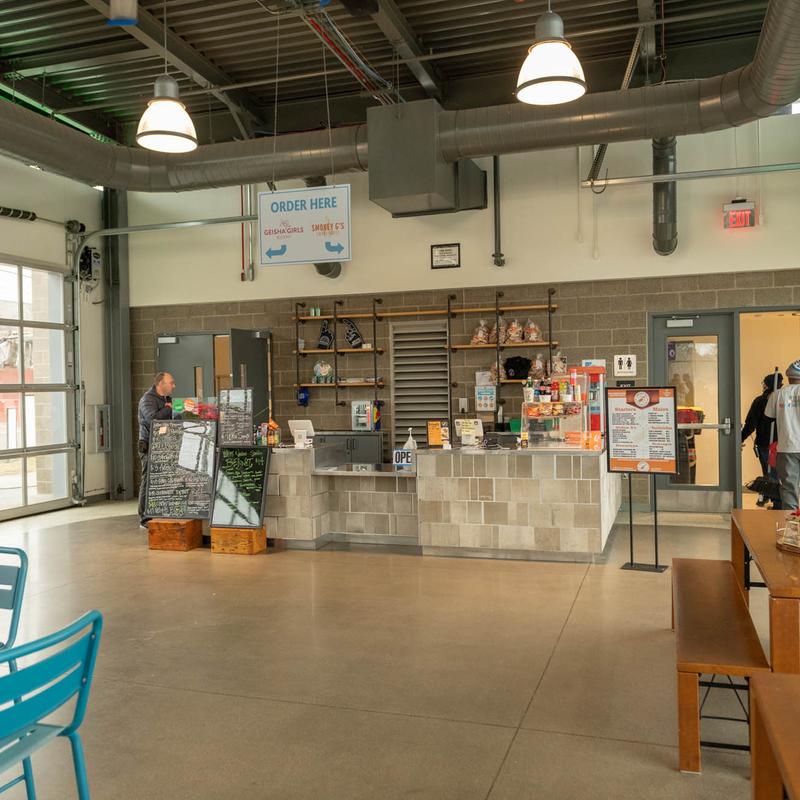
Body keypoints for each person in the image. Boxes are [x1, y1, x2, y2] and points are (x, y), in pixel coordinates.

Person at [137, 372, 175, 527]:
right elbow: (153, 419)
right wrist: (168, 409)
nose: (173, 386)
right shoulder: (147, 399)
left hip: (163, 444)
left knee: (161, 481)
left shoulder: (166, 399)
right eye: (171, 382)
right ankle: (144, 518)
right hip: (148, 445)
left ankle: (159, 512)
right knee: (148, 480)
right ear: (161, 384)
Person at [741, 372, 783, 508]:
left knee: (770, 473)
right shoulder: (785, 400)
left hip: (765, 443)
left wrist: (740, 438)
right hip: (784, 443)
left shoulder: (760, 401)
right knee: (776, 473)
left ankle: (777, 504)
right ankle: (767, 496)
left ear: (766, 385)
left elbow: (750, 424)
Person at [765, 359, 800, 511]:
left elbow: (768, 417)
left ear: (788, 376)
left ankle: (791, 522)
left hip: (787, 447)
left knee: (788, 488)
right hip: (788, 447)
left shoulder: (777, 394)